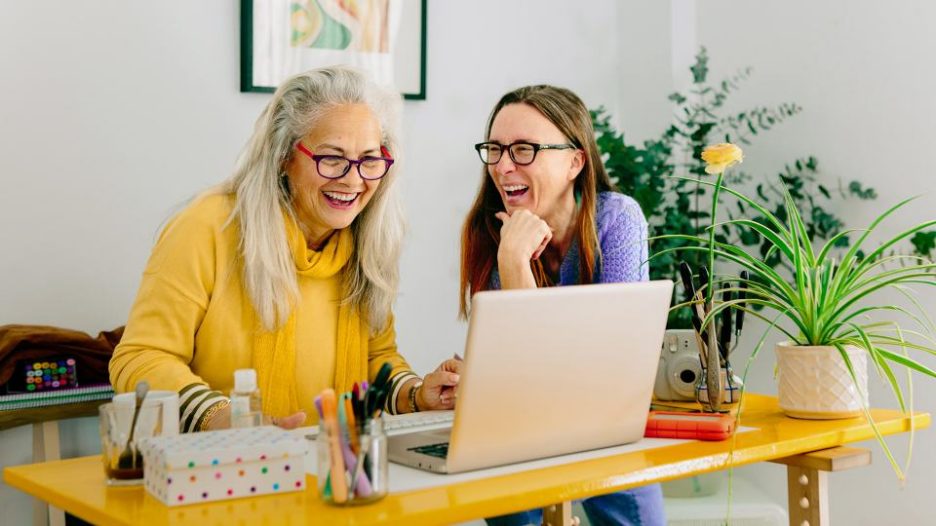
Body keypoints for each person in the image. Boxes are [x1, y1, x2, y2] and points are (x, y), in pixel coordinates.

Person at [110, 66, 459, 433]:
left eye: (369, 159)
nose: (353, 179)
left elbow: (376, 359)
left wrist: (418, 394)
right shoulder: (207, 226)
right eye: (332, 158)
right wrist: (222, 416)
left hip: (336, 468)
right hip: (222, 466)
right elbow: (140, 357)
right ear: (283, 156)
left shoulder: (367, 239)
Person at [460, 85, 663, 526]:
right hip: (520, 434)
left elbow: (614, 366)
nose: (503, 166)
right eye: (494, 149)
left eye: (524, 149)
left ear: (575, 161)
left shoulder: (616, 220)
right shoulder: (493, 232)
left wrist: (515, 266)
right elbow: (518, 378)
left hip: (606, 428)